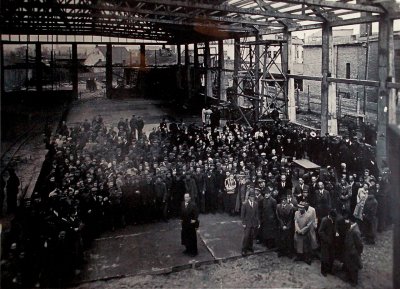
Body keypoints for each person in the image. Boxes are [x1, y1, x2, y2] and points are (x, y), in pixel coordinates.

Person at [343, 216, 363, 287]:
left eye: (347, 220)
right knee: (348, 264)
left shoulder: (355, 231)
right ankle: (348, 277)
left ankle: (354, 281)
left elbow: (359, 244)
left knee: (354, 267)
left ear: (350, 221)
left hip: (353, 252)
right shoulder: (351, 227)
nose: (346, 221)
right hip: (349, 250)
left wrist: (358, 252)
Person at [241, 189, 260, 256]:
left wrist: (258, 222)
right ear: (248, 197)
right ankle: (244, 249)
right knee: (246, 236)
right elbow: (242, 215)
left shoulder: (255, 204)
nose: (252, 198)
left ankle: (250, 247)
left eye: (253, 197)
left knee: (251, 236)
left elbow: (257, 214)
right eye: (251, 196)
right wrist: (243, 223)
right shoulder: (245, 204)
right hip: (247, 223)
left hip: (253, 223)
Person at [318, 209, 337, 276]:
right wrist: (326, 239)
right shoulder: (324, 220)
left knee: (331, 257)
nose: (334, 218)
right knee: (325, 257)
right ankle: (323, 271)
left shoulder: (334, 220)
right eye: (333, 217)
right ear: (330, 216)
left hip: (332, 241)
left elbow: (334, 228)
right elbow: (320, 231)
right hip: (325, 242)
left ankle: (330, 270)